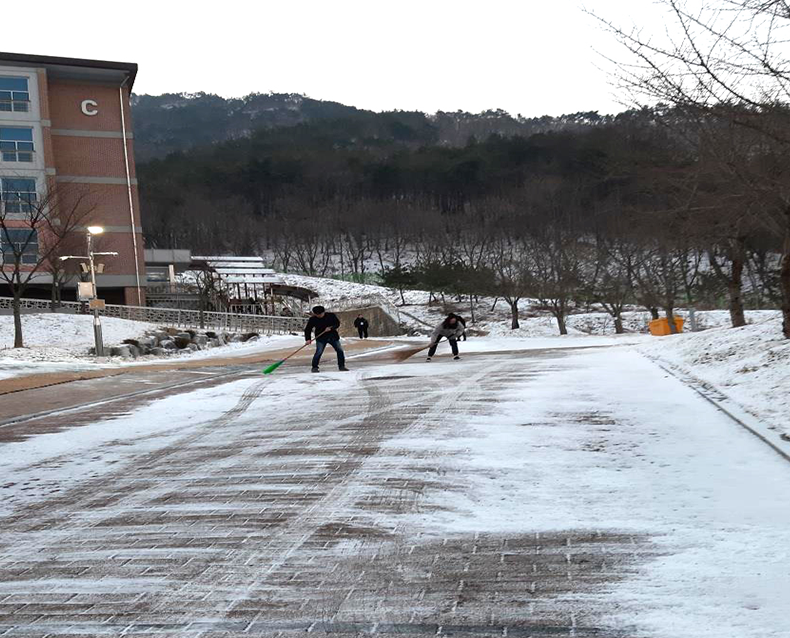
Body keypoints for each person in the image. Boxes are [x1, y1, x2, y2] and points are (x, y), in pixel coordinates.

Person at [304, 305, 349, 373]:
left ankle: (341, 366)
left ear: (323, 312)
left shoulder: (331, 316)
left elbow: (337, 323)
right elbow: (308, 329)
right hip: (321, 338)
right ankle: (314, 367)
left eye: (320, 314)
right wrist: (308, 339)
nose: (319, 316)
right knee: (318, 352)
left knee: (340, 351)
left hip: (332, 336)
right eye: (317, 314)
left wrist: (331, 328)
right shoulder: (313, 319)